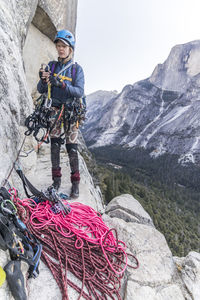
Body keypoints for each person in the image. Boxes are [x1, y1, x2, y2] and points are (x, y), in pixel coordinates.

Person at [37, 29, 85, 198]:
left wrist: (62, 84)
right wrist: (43, 80)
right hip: (55, 110)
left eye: (64, 46)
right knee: (55, 146)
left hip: (71, 111)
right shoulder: (51, 66)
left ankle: (75, 183)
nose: (60, 49)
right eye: (58, 45)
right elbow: (41, 89)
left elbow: (79, 91)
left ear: (70, 49)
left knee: (72, 148)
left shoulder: (76, 70)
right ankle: (56, 181)